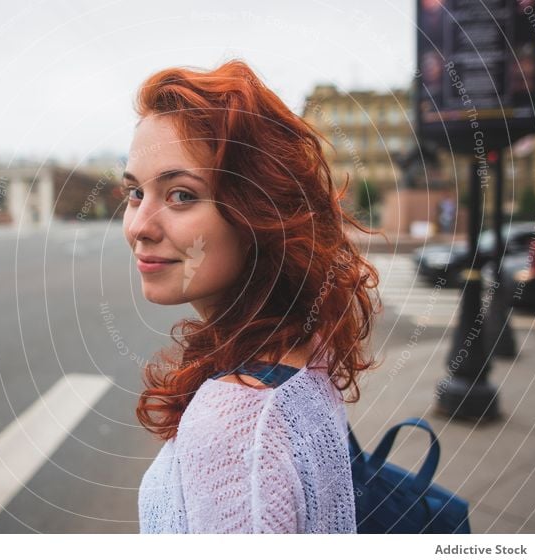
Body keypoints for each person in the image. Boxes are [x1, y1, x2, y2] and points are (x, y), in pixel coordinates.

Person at [121, 60, 379, 534]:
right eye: (136, 192)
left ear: (258, 214)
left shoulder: (233, 422)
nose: (139, 226)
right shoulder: (301, 340)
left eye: (181, 195)